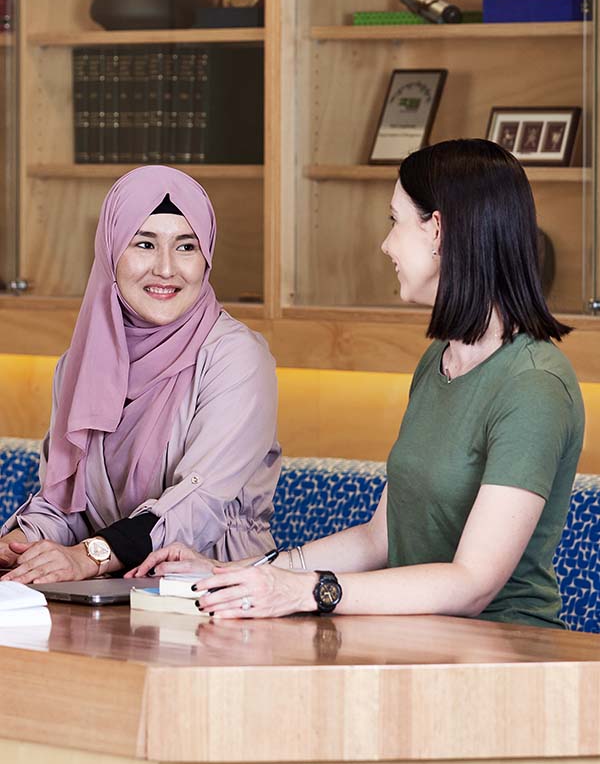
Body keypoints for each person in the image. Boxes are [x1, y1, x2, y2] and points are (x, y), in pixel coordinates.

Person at [130, 139, 585, 629]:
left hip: (506, 654)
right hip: (418, 638)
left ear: (438, 231)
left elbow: (473, 583)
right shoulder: (440, 360)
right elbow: (379, 538)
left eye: (395, 221)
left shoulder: (534, 387)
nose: (386, 244)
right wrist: (237, 571)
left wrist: (307, 591)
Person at [0, 166, 280, 583]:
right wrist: (19, 547)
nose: (166, 269)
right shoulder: (78, 365)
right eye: (145, 244)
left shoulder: (236, 357)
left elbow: (197, 505)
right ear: (111, 252)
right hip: (110, 595)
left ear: (207, 258)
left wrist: (87, 556)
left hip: (220, 595)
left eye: (186, 247)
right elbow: (64, 503)